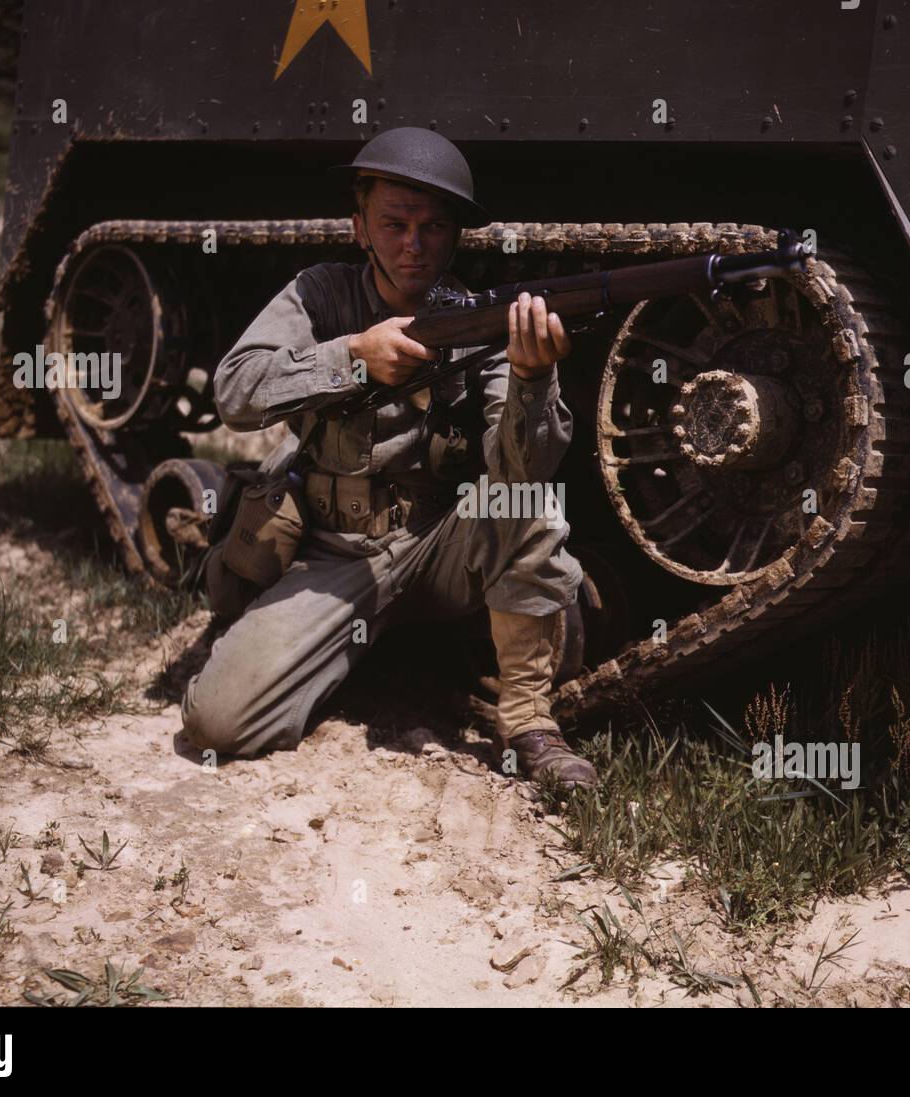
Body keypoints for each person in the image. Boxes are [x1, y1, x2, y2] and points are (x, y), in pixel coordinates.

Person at [180, 126, 598, 790]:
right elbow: (235, 391)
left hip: (435, 545)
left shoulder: (478, 321)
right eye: (394, 223)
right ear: (360, 228)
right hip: (329, 552)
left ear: (456, 235)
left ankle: (529, 723)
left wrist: (532, 381)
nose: (413, 243)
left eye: (433, 227)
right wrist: (351, 356)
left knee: (524, 503)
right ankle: (346, 648)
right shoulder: (318, 296)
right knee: (215, 722)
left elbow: (526, 467)